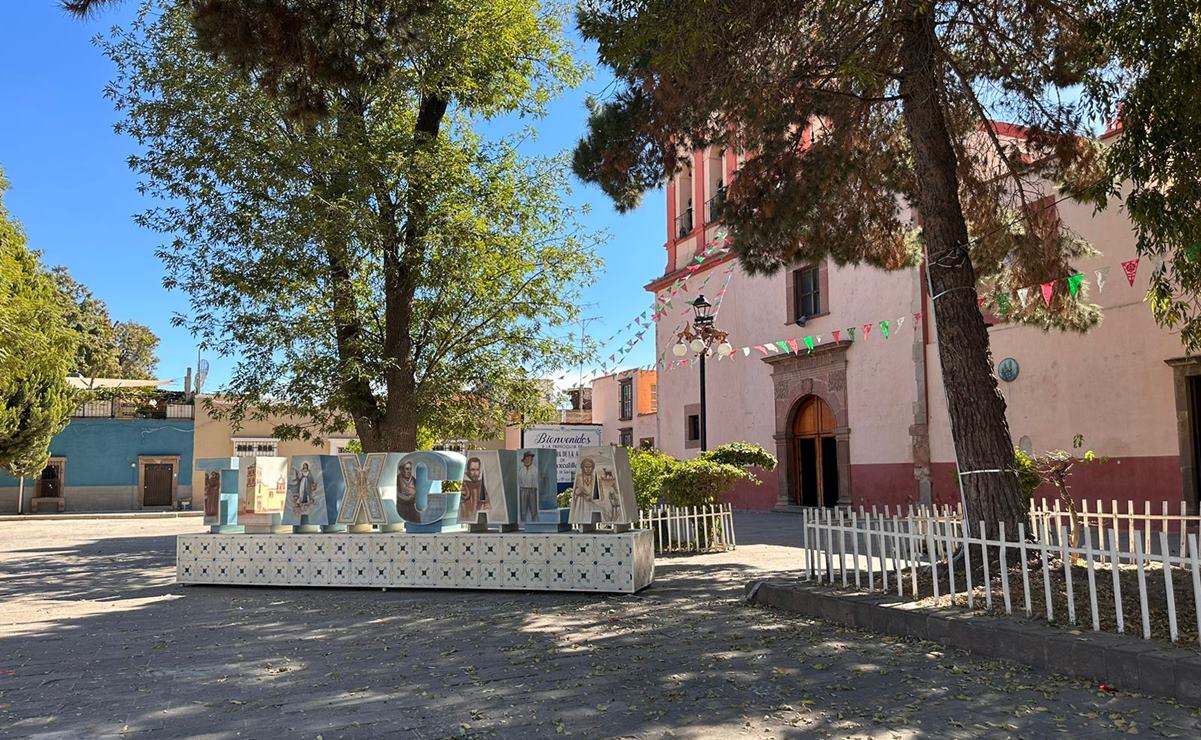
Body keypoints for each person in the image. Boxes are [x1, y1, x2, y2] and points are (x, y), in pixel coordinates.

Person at [570, 456, 599, 523]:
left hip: (591, 503)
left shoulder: (595, 478)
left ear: (593, 467)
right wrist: (582, 493)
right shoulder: (579, 477)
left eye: (590, 467)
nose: (588, 469)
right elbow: (576, 492)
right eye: (586, 467)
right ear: (582, 468)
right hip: (581, 504)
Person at [460, 456, 488, 523]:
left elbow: (488, 505)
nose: (475, 473)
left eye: (477, 469)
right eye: (472, 470)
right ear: (468, 470)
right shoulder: (465, 484)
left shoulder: (481, 485)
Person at [518, 451, 540, 522]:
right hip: (523, 490)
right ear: (524, 460)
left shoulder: (535, 470)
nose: (527, 461)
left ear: (531, 460)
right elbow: (519, 480)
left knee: (533, 508)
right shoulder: (521, 470)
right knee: (523, 508)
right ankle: (523, 523)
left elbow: (536, 480)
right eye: (526, 459)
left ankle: (534, 522)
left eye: (529, 459)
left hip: (532, 490)